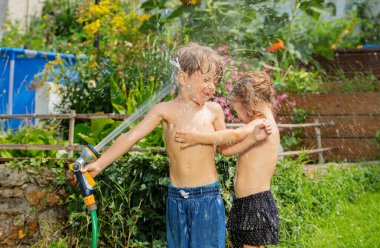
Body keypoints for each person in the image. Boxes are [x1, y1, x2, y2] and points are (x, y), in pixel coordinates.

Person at [79, 43, 270, 247]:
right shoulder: (165, 110)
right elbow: (131, 136)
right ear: (182, 77)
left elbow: (226, 148)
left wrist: (251, 138)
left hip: (207, 196)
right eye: (206, 80)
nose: (212, 86)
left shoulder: (213, 111)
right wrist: (99, 164)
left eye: (214, 81)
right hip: (176, 197)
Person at [175, 71, 280, 248]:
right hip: (246, 202)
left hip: (254, 203)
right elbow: (228, 151)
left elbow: (234, 134)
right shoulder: (258, 130)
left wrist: (197, 137)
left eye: (238, 111)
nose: (239, 116)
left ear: (249, 102)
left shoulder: (261, 123)